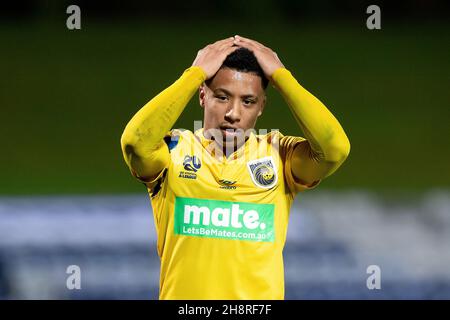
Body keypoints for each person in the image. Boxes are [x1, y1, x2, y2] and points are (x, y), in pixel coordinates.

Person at [120, 35, 350, 299]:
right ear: (203, 96)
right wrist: (193, 75)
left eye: (248, 101)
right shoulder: (174, 152)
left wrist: (281, 77)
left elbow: (335, 150)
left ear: (261, 106)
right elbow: (135, 142)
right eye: (222, 97)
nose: (234, 113)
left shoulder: (279, 156)